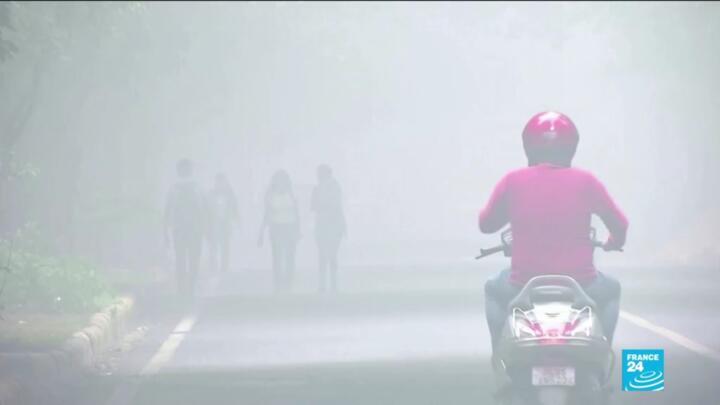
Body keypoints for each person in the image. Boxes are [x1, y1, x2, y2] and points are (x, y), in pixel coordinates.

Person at [479, 111, 628, 350]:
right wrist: (614, 241)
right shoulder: (587, 181)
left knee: (493, 289)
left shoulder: (512, 181)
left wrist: (515, 209)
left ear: (529, 147)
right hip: (583, 283)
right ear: (571, 147)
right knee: (611, 290)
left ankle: (500, 352)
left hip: (521, 284)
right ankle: (604, 351)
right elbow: (620, 224)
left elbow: (486, 225)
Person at [164, 158, 207, 297]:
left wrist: (165, 231)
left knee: (181, 259)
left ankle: (182, 289)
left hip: (180, 230)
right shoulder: (197, 188)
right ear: (191, 170)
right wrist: (205, 229)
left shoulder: (174, 189)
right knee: (193, 259)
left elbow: (168, 211)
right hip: (193, 231)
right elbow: (204, 210)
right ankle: (190, 288)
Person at [258, 170, 300, 293]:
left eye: (283, 180)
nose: (281, 183)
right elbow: (266, 214)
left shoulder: (292, 194)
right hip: (276, 228)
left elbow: (297, 214)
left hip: (290, 228)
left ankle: (288, 282)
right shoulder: (270, 196)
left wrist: (298, 229)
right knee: (277, 256)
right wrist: (261, 232)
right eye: (278, 180)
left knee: (290, 256)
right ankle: (278, 282)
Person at [311, 165, 347, 293]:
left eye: (320, 173)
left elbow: (337, 206)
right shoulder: (317, 189)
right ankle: (325, 285)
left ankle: (332, 285)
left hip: (332, 226)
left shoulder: (334, 187)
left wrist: (343, 225)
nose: (318, 176)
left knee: (331, 255)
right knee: (323, 255)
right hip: (323, 226)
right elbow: (313, 206)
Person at [207, 173, 239, 273]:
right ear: (215, 183)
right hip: (213, 224)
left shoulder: (230, 194)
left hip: (225, 224)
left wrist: (237, 220)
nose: (220, 184)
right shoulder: (210, 194)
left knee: (225, 246)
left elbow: (235, 208)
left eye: (222, 182)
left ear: (225, 182)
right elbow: (206, 209)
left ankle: (224, 268)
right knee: (213, 247)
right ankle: (213, 267)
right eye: (218, 182)